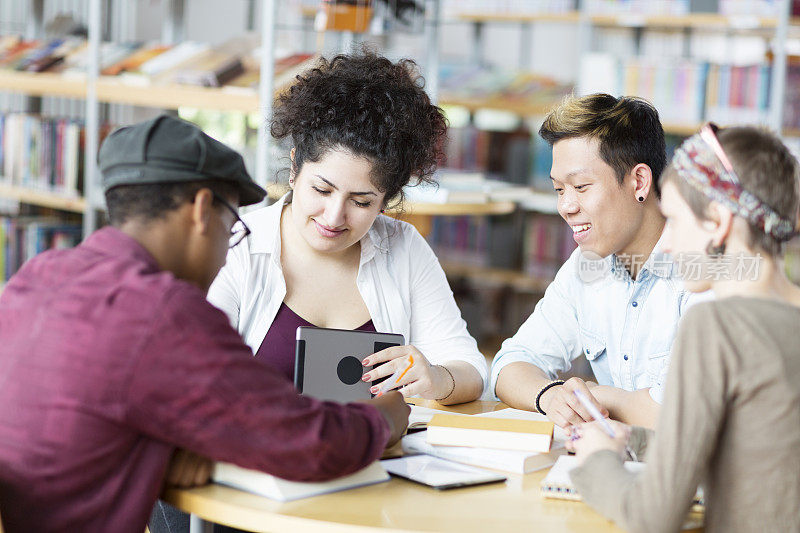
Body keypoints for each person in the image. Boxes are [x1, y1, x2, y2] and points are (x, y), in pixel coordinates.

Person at [0, 115, 409, 533]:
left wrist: (175, 444)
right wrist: (388, 416)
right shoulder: (164, 311)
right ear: (200, 211)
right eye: (231, 226)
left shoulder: (39, 275)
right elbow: (309, 443)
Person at [208, 50, 487, 404]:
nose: (334, 217)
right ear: (295, 168)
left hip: (378, 455)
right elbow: (195, 372)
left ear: (387, 199)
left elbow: (470, 370)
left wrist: (436, 377)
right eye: (321, 190)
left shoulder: (404, 247)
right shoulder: (238, 245)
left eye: (361, 202)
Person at [569, 124, 800, 533]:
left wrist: (598, 462)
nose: (669, 244)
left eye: (674, 221)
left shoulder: (716, 325)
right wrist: (636, 441)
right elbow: (757, 455)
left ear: (718, 221)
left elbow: (651, 518)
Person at [491, 94, 708, 429]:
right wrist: (551, 396)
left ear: (638, 181)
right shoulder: (586, 266)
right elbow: (511, 363)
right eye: (559, 189)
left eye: (580, 186)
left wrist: (595, 395)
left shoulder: (702, 271)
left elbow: (684, 414)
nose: (566, 206)